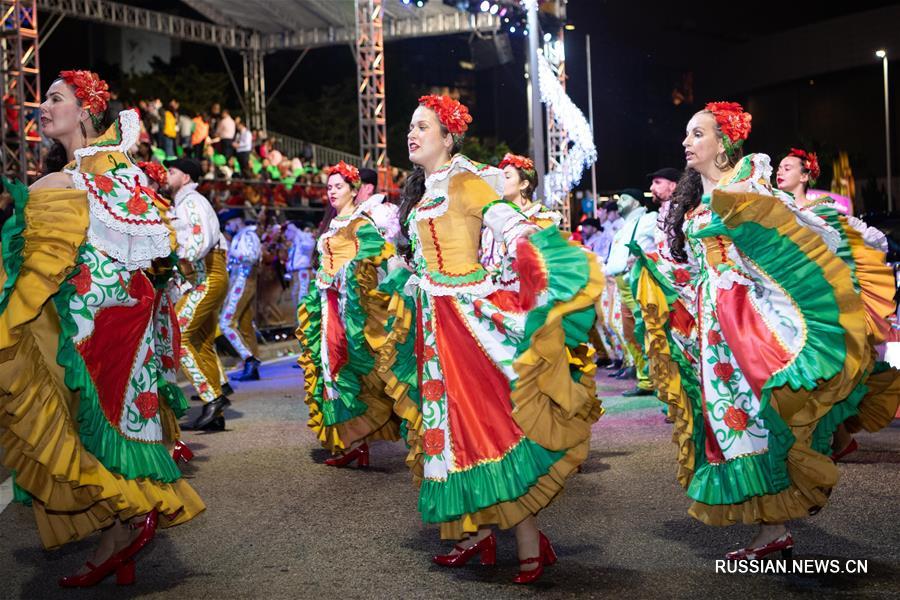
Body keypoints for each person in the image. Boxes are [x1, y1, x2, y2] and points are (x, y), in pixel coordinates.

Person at [382, 95, 603, 583]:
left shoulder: (465, 182)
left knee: (495, 427)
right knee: (452, 432)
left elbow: (512, 225)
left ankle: (526, 539)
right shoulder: (425, 188)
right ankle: (477, 535)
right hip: (435, 325)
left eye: (422, 126)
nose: (411, 134)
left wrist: (542, 260)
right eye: (410, 126)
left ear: (448, 136)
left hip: (468, 322)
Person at [0, 71, 203, 587]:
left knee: (87, 413)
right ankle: (120, 533)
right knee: (73, 411)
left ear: (86, 112)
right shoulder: (77, 168)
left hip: (106, 316)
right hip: (86, 310)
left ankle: (132, 519)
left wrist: (42, 192)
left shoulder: (104, 161)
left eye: (55, 98)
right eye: (42, 98)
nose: (42, 106)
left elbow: (146, 233)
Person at [663, 101, 872, 559]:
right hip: (714, 326)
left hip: (744, 320)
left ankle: (774, 525)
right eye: (687, 134)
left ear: (724, 143)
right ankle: (771, 529)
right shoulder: (700, 197)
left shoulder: (747, 188)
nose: (687, 142)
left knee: (759, 417)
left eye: (697, 134)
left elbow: (800, 236)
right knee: (733, 422)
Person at [777, 147, 900, 462]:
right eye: (779, 166)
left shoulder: (823, 209)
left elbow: (863, 235)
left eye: (788, 167)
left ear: (805, 176)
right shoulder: (774, 208)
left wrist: (884, 247)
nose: (780, 171)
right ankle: (836, 439)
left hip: (824, 304)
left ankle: (826, 441)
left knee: (825, 373)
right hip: (787, 302)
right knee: (808, 373)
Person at [295, 161, 401, 466]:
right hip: (327, 307)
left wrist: (343, 276)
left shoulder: (359, 223)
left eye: (338, 186)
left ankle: (358, 438)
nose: (331, 192)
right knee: (331, 370)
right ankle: (353, 442)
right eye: (329, 187)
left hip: (347, 310)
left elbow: (381, 255)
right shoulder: (335, 224)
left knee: (351, 369)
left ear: (354, 191)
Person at [164, 157, 233, 431]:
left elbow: (200, 240)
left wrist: (178, 259)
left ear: (186, 177)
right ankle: (215, 411)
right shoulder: (183, 203)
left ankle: (212, 397)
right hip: (205, 275)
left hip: (206, 275)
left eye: (172, 171)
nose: (167, 175)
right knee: (201, 341)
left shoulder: (191, 201)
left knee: (178, 335)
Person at [605, 188, 657, 396]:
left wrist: (643, 257)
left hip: (637, 280)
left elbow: (661, 245)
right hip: (621, 283)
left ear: (636, 202)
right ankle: (645, 378)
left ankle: (655, 379)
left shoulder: (649, 219)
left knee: (644, 330)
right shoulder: (624, 226)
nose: (619, 202)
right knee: (630, 332)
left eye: (624, 198)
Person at [220, 212, 263, 381]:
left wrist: (234, 257)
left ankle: (249, 359)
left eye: (229, 223)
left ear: (236, 220)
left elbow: (251, 257)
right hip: (241, 280)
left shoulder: (248, 234)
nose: (228, 228)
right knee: (245, 325)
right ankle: (252, 364)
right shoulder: (241, 235)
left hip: (242, 280)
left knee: (226, 323)